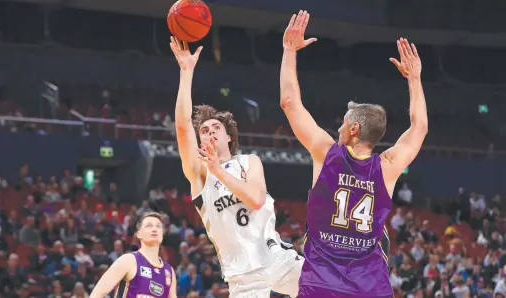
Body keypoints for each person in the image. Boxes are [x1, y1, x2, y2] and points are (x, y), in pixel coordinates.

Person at [280, 11, 427, 298]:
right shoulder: (388, 167)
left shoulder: (325, 152)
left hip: (321, 284)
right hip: (369, 287)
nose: (339, 126)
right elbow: (419, 127)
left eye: (344, 122)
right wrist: (415, 79)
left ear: (355, 128)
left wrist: (288, 51)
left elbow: (289, 101)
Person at [169, 36, 303, 298]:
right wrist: (186, 72)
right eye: (204, 131)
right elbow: (183, 125)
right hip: (242, 276)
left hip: (276, 258)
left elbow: (254, 199)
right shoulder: (199, 173)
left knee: (335, 289)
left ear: (228, 136)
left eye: (216, 128)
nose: (210, 133)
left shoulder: (249, 162)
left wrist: (220, 171)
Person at [90, 212, 177, 298]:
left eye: (158, 226)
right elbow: (97, 294)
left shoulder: (169, 271)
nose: (154, 229)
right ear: (139, 234)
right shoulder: (128, 260)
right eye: (149, 226)